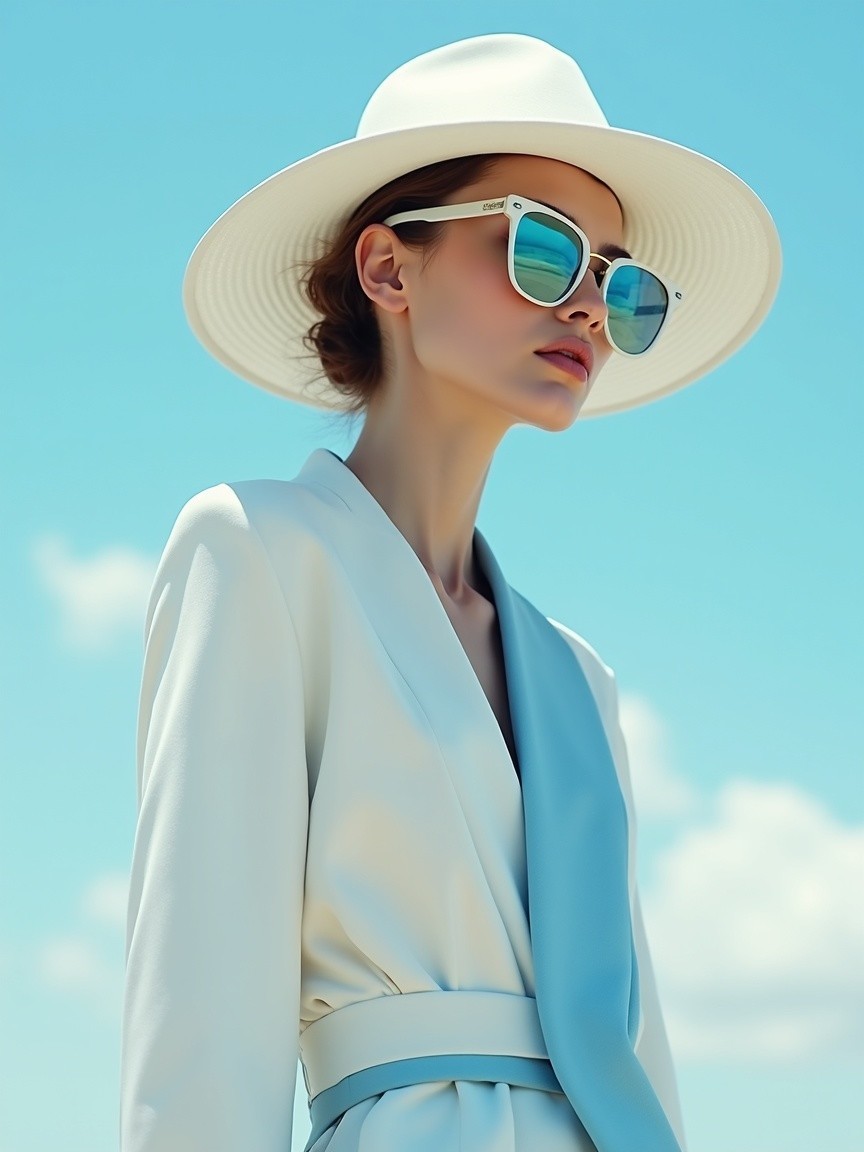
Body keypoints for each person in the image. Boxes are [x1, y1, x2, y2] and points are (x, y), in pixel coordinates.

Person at [120, 33, 781, 1152]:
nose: (588, 307)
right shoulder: (257, 553)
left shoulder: (578, 678)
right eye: (543, 249)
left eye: (620, 283)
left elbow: (638, 1053)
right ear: (389, 269)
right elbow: (203, 1023)